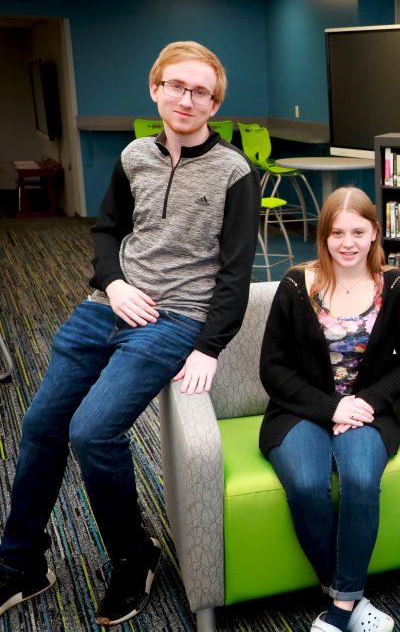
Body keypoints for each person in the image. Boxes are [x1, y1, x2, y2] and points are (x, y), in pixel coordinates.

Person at [0, 41, 259, 625]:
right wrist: (113, 283)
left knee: (92, 431)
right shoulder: (135, 155)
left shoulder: (234, 172)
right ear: (155, 89)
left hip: (176, 318)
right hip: (107, 306)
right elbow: (107, 230)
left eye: (201, 92)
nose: (187, 99)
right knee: (41, 423)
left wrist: (209, 345)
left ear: (214, 104)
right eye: (177, 86)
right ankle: (22, 562)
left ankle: (132, 556)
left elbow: (237, 271)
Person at [259, 186, 400, 632]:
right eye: (337, 233)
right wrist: (332, 407)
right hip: (301, 409)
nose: (347, 242)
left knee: (359, 479)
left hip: (368, 411)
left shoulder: (395, 286)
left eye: (358, 231)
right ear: (323, 236)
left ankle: (339, 611)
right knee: (307, 483)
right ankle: (347, 595)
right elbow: (272, 369)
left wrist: (366, 401)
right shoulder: (297, 283)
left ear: (374, 233)